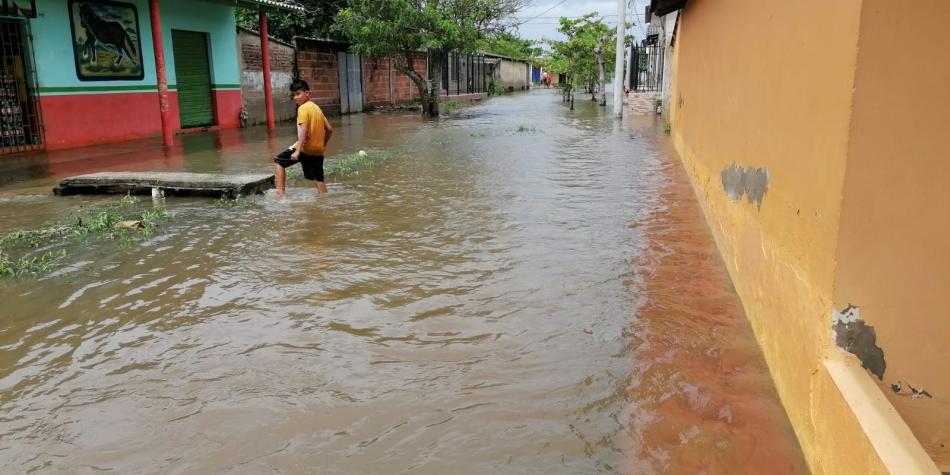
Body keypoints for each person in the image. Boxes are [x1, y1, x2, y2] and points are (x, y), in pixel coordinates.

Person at [274, 79, 333, 195]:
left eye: (298, 94)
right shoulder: (317, 108)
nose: (295, 98)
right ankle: (324, 201)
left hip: (304, 148)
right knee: (318, 179)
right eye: (293, 95)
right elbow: (330, 130)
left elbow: (304, 130)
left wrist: (298, 150)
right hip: (317, 150)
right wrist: (323, 145)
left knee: (279, 161)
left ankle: (280, 194)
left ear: (307, 93)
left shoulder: (302, 108)